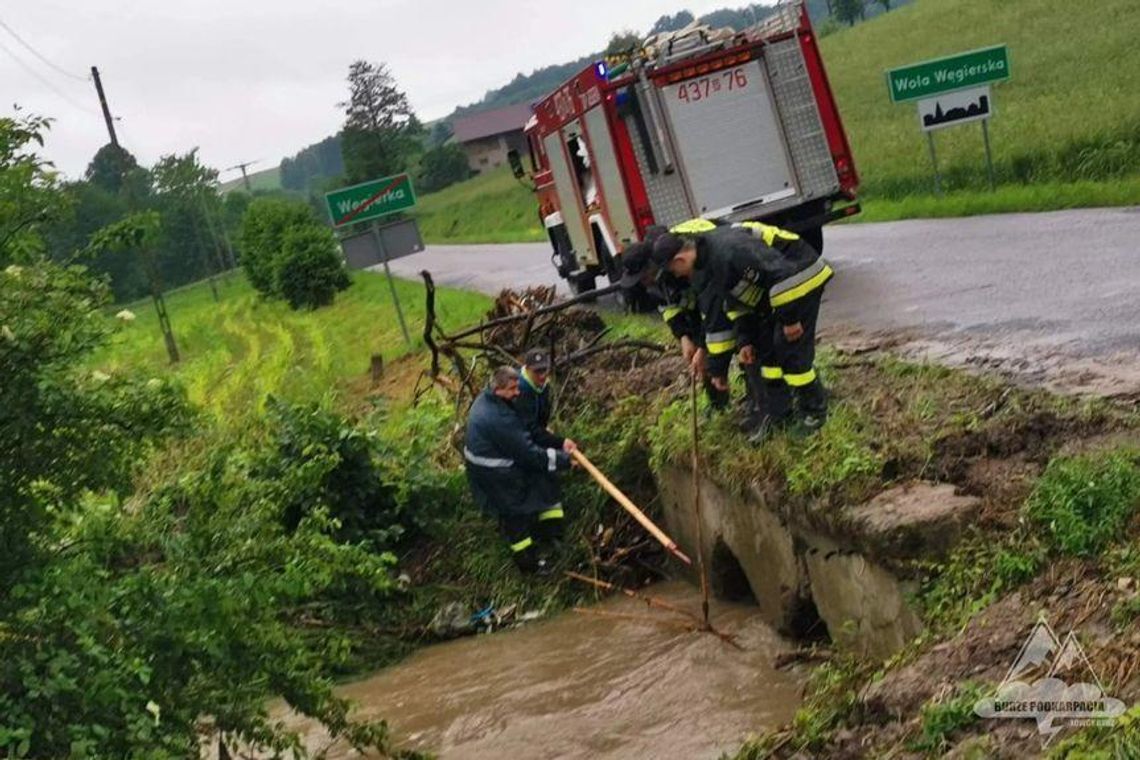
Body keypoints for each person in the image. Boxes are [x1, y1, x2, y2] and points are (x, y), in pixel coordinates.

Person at [651, 221, 832, 441]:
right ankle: (781, 414)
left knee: (789, 350)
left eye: (673, 270)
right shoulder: (708, 262)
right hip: (776, 291)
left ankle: (814, 412)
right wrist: (745, 339)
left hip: (800, 277)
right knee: (767, 351)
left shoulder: (728, 252)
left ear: (679, 260)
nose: (677, 276)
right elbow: (734, 303)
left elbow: (780, 273)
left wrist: (790, 319)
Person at [464, 366, 574, 574]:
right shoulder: (499, 419)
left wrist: (558, 443)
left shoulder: (492, 401)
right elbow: (529, 454)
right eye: (513, 389)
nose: (518, 392)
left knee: (545, 479)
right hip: (495, 474)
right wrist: (564, 461)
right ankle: (529, 565)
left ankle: (551, 537)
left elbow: (527, 432)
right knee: (514, 514)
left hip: (493, 461)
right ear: (498, 390)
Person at [514, 348, 578, 548]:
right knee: (537, 478)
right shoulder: (521, 390)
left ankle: (554, 534)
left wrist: (550, 437)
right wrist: (559, 442)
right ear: (527, 369)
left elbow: (540, 422)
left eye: (545, 370)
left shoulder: (543, 386)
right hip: (519, 443)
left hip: (534, 437)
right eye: (538, 372)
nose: (543, 376)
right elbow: (530, 428)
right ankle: (542, 537)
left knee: (549, 480)